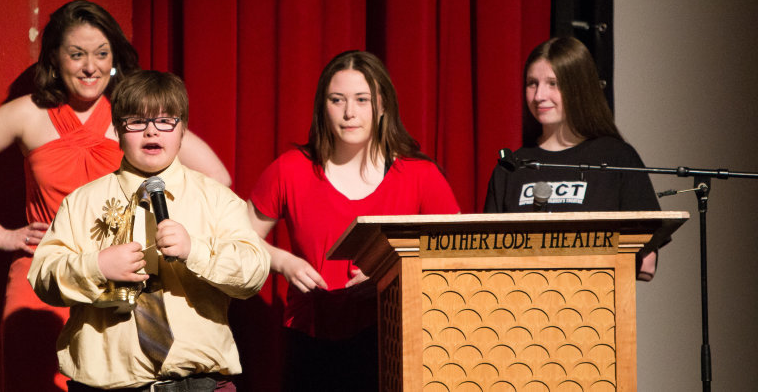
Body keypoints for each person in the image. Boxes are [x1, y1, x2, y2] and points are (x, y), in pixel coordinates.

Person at [0, 0, 231, 391]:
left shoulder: (132, 113)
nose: (91, 66)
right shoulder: (27, 114)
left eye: (101, 53)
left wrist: (163, 237)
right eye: (77, 54)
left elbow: (216, 176)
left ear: (114, 56)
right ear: (55, 57)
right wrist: (1, 236)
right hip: (46, 272)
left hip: (120, 274)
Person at [28, 70, 270, 391]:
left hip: (200, 384)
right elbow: (44, 275)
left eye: (165, 121)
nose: (151, 131)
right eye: (136, 122)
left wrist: (194, 250)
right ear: (116, 130)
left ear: (182, 129)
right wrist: (97, 266)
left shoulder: (215, 199)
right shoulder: (83, 202)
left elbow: (254, 271)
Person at [246, 50, 460, 391]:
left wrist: (392, 267)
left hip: (393, 337)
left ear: (383, 106)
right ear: (323, 106)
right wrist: (283, 261)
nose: (350, 113)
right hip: (309, 336)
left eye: (362, 100)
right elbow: (241, 237)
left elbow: (453, 252)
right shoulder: (291, 168)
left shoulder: (421, 175)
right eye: (337, 100)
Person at [482, 36, 662, 280]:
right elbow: (487, 255)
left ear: (578, 88)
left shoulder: (616, 157)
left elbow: (646, 261)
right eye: (532, 83)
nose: (539, 96)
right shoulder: (511, 167)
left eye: (553, 83)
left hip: (596, 307)